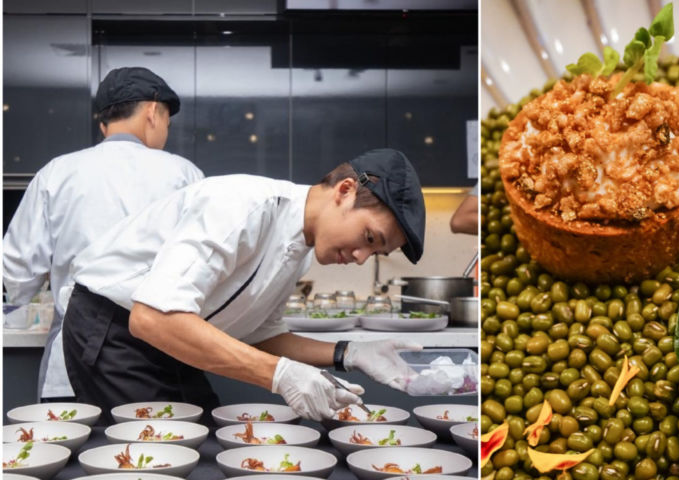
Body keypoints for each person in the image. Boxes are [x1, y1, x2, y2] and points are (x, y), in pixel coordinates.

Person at [61, 149, 426, 421]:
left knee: (201, 437)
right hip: (113, 330)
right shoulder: (242, 206)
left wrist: (348, 353)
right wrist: (279, 375)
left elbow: (257, 335)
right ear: (345, 190)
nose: (362, 257)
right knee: (162, 450)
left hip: (175, 338)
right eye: (369, 237)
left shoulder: (300, 251)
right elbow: (151, 318)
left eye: (375, 252)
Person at [3, 67, 203, 402]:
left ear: (103, 126)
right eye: (168, 120)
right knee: (158, 450)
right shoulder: (184, 175)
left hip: (72, 364)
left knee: (69, 452)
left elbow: (17, 275)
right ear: (154, 111)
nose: (166, 129)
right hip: (161, 361)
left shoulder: (56, 173)